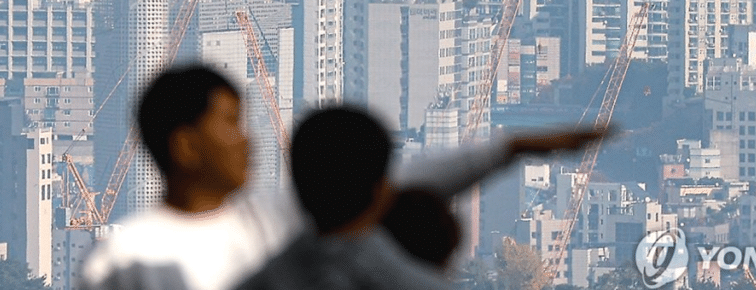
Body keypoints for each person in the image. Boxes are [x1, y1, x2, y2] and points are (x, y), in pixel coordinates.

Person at [234, 106, 612, 290]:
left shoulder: (264, 277)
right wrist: (511, 148)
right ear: (382, 190)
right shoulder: (401, 280)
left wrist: (509, 149)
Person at [80, 64, 302, 290]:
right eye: (230, 123)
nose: (244, 140)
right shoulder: (122, 259)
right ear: (185, 145)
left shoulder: (277, 230)